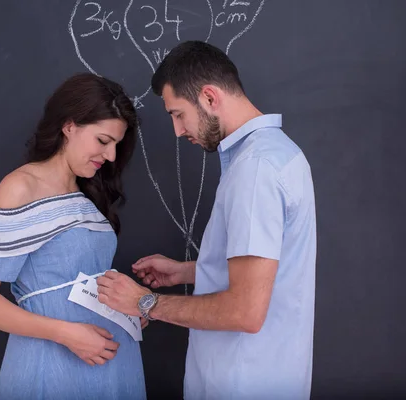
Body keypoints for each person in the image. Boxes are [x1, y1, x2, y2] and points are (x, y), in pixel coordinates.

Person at [97, 41, 317, 399]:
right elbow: (267, 271)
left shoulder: (255, 170)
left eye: (178, 114)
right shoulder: (277, 154)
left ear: (210, 98)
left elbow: (245, 311)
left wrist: (145, 302)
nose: (178, 131)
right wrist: (186, 272)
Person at [0, 73, 147, 399]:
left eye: (117, 145)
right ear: (70, 126)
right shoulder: (21, 188)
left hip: (112, 362)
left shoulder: (87, 194)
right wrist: (66, 334)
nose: (111, 156)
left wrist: (127, 306)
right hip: (54, 363)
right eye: (103, 141)